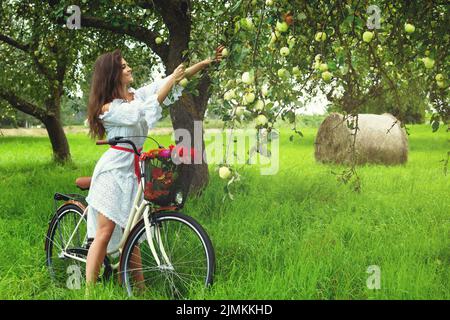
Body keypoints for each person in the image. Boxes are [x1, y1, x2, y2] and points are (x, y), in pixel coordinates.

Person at [85, 46, 224, 286]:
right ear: (112, 74)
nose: (129, 68)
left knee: (133, 233)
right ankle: (88, 292)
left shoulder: (137, 95)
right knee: (105, 232)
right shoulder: (109, 108)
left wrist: (205, 63)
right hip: (113, 170)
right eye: (124, 66)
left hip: (135, 169)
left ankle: (138, 290)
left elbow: (169, 81)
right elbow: (137, 115)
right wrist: (171, 83)